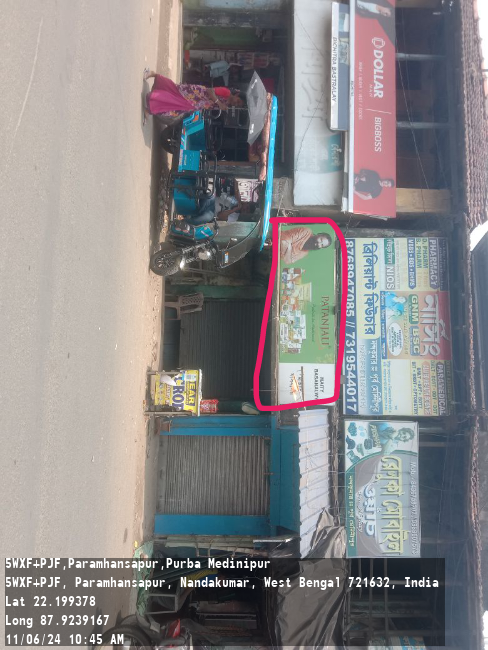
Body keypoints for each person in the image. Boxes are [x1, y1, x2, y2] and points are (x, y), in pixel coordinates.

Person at [143, 70, 244, 121]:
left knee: (175, 109)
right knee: (174, 91)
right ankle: (154, 75)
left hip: (197, 104)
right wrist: (219, 103)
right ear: (237, 94)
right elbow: (210, 90)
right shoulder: (227, 92)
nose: (236, 103)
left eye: (237, 105)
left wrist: (222, 107)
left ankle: (151, 109)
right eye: (238, 101)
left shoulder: (227, 106)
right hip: (196, 94)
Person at [184, 180, 249, 226]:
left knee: (204, 219)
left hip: (212, 213)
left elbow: (220, 215)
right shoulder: (237, 198)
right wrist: (238, 200)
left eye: (246, 211)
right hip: (212, 200)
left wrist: (234, 210)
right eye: (247, 208)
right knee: (209, 195)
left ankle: (184, 221)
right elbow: (235, 181)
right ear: (247, 203)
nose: (245, 210)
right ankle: (193, 210)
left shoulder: (234, 218)